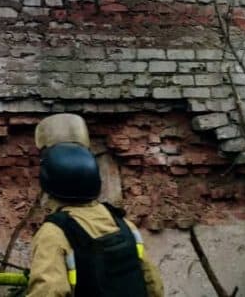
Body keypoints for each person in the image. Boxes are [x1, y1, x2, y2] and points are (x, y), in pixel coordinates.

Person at [28, 119, 164, 297]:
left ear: (47, 183)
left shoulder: (53, 235)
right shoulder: (124, 225)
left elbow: (47, 293)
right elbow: (154, 285)